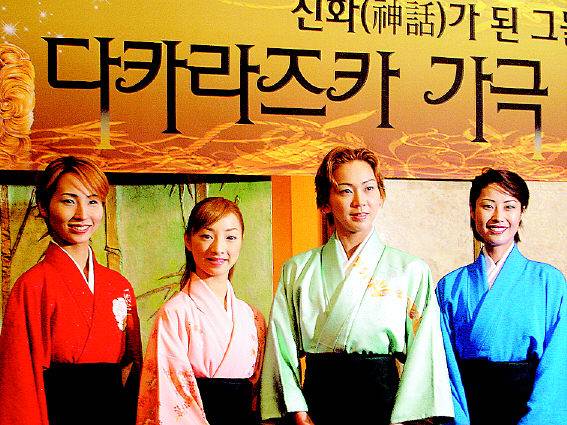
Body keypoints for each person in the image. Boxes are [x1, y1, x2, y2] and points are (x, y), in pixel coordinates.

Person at [260, 147, 453, 425]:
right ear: (325, 202)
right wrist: (298, 412)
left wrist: (408, 419)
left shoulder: (411, 270)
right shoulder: (298, 270)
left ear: (381, 196)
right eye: (346, 191)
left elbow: (425, 353)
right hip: (317, 406)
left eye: (369, 188)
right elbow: (281, 349)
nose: (360, 201)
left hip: (386, 408)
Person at [0, 156, 142, 425]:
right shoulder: (32, 285)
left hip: (114, 413)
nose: (82, 215)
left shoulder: (118, 285)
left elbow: (133, 368)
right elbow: (18, 379)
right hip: (57, 413)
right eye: (68, 201)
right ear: (44, 206)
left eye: (93, 201)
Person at [436, 168, 567, 425]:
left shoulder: (549, 282)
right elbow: (444, 368)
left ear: (521, 212)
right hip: (469, 411)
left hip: (529, 410)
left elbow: (558, 364)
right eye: (488, 206)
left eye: (509, 206)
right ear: (472, 211)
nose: (498, 217)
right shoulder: (449, 287)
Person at [137, 197, 266, 425]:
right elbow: (170, 395)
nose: (218, 248)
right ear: (188, 240)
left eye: (230, 237)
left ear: (241, 241)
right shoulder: (175, 313)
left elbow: (259, 393)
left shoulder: (252, 317)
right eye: (207, 236)